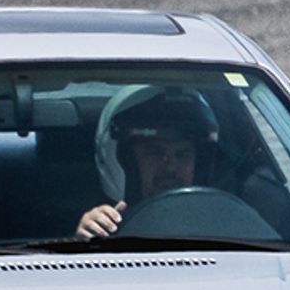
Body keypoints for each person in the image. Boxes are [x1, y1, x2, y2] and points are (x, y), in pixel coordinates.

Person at [76, 88, 222, 239]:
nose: (170, 167)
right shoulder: (107, 226)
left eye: (182, 155)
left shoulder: (225, 224)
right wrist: (86, 241)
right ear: (125, 160)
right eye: (155, 153)